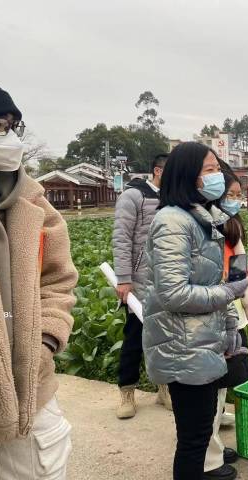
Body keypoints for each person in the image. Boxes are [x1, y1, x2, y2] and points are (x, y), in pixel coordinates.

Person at [142, 142, 248, 480]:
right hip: (182, 346)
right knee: (193, 440)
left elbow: (209, 278)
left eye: (217, 168)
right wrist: (229, 292)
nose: (217, 176)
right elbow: (174, 293)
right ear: (187, 175)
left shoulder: (200, 218)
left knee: (201, 434)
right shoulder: (173, 221)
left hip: (200, 341)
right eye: (209, 169)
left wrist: (230, 323)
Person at [0, 84, 78, 478]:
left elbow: (59, 281)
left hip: (31, 382)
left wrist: (45, 341)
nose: (4, 138)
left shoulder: (34, 203)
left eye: (7, 127)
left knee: (43, 467)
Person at [204, 172, 248, 480]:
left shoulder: (230, 225)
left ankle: (212, 445)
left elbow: (238, 269)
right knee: (212, 391)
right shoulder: (208, 226)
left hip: (231, 313)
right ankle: (208, 459)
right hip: (218, 314)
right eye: (232, 193)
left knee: (223, 388)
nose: (236, 199)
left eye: (240, 194)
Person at [112, 153, 171, 419]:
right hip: (139, 283)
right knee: (134, 338)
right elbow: (122, 238)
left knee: (166, 340)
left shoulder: (172, 197)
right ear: (158, 171)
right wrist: (124, 279)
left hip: (167, 283)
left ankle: (164, 389)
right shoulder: (133, 196)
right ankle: (127, 392)